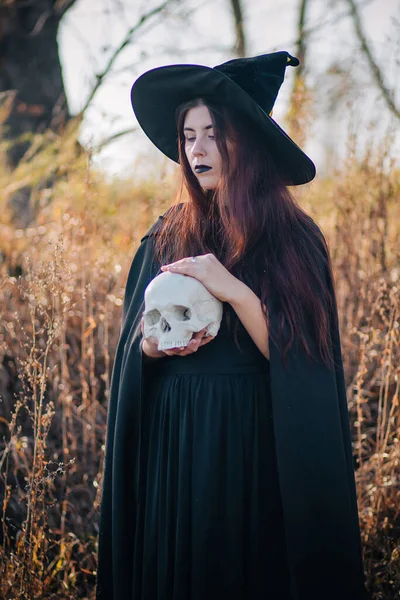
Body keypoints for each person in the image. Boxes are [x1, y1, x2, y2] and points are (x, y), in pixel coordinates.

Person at [96, 51, 369, 600]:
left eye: (213, 134)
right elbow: (132, 351)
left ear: (247, 142)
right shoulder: (164, 235)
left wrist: (233, 290)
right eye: (188, 136)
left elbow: (302, 363)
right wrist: (150, 348)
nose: (197, 149)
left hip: (252, 448)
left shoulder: (293, 239)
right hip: (175, 449)